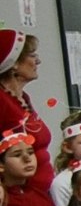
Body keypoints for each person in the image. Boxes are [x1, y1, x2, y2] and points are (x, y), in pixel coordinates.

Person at [0, 29, 54, 191]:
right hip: (19, 196)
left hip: (40, 192)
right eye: (32, 55)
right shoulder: (2, 101)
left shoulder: (23, 98)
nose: (38, 61)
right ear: (14, 63)